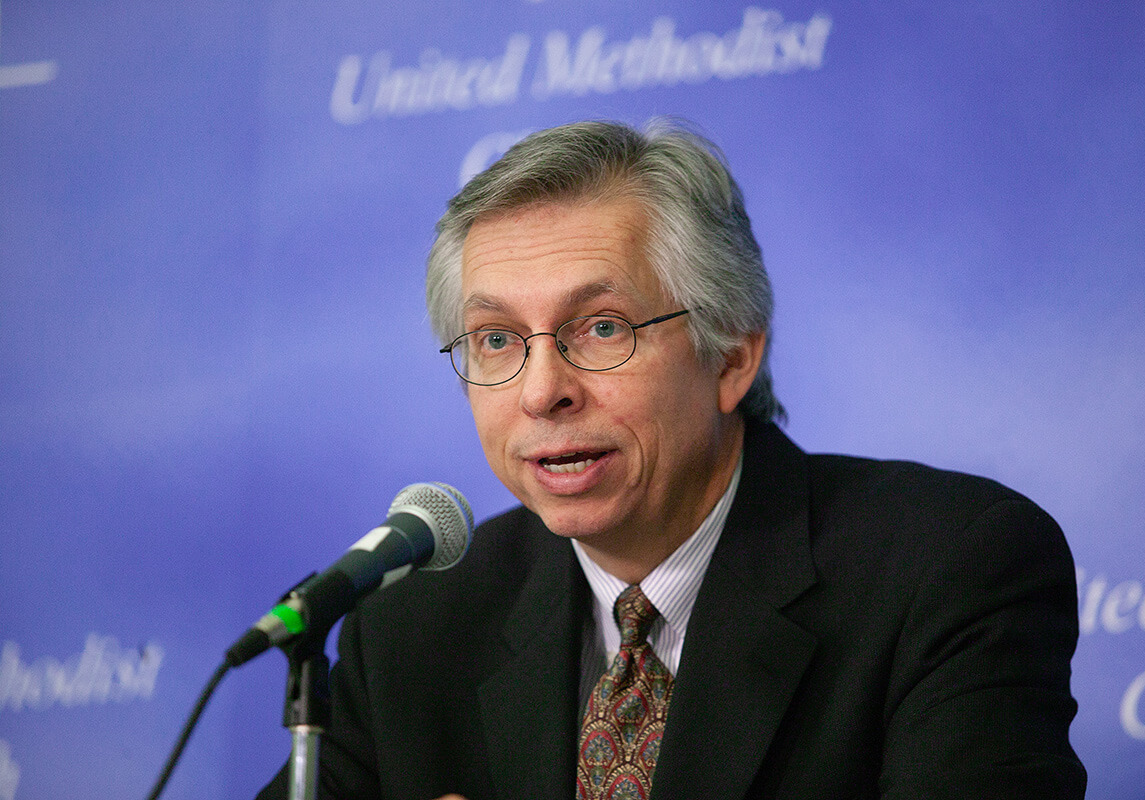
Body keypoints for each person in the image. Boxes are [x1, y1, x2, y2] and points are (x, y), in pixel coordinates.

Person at [257, 119, 1086, 799]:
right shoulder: (410, 630)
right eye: (497, 340)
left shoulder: (948, 570)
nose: (542, 392)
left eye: (602, 328)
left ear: (731, 357)